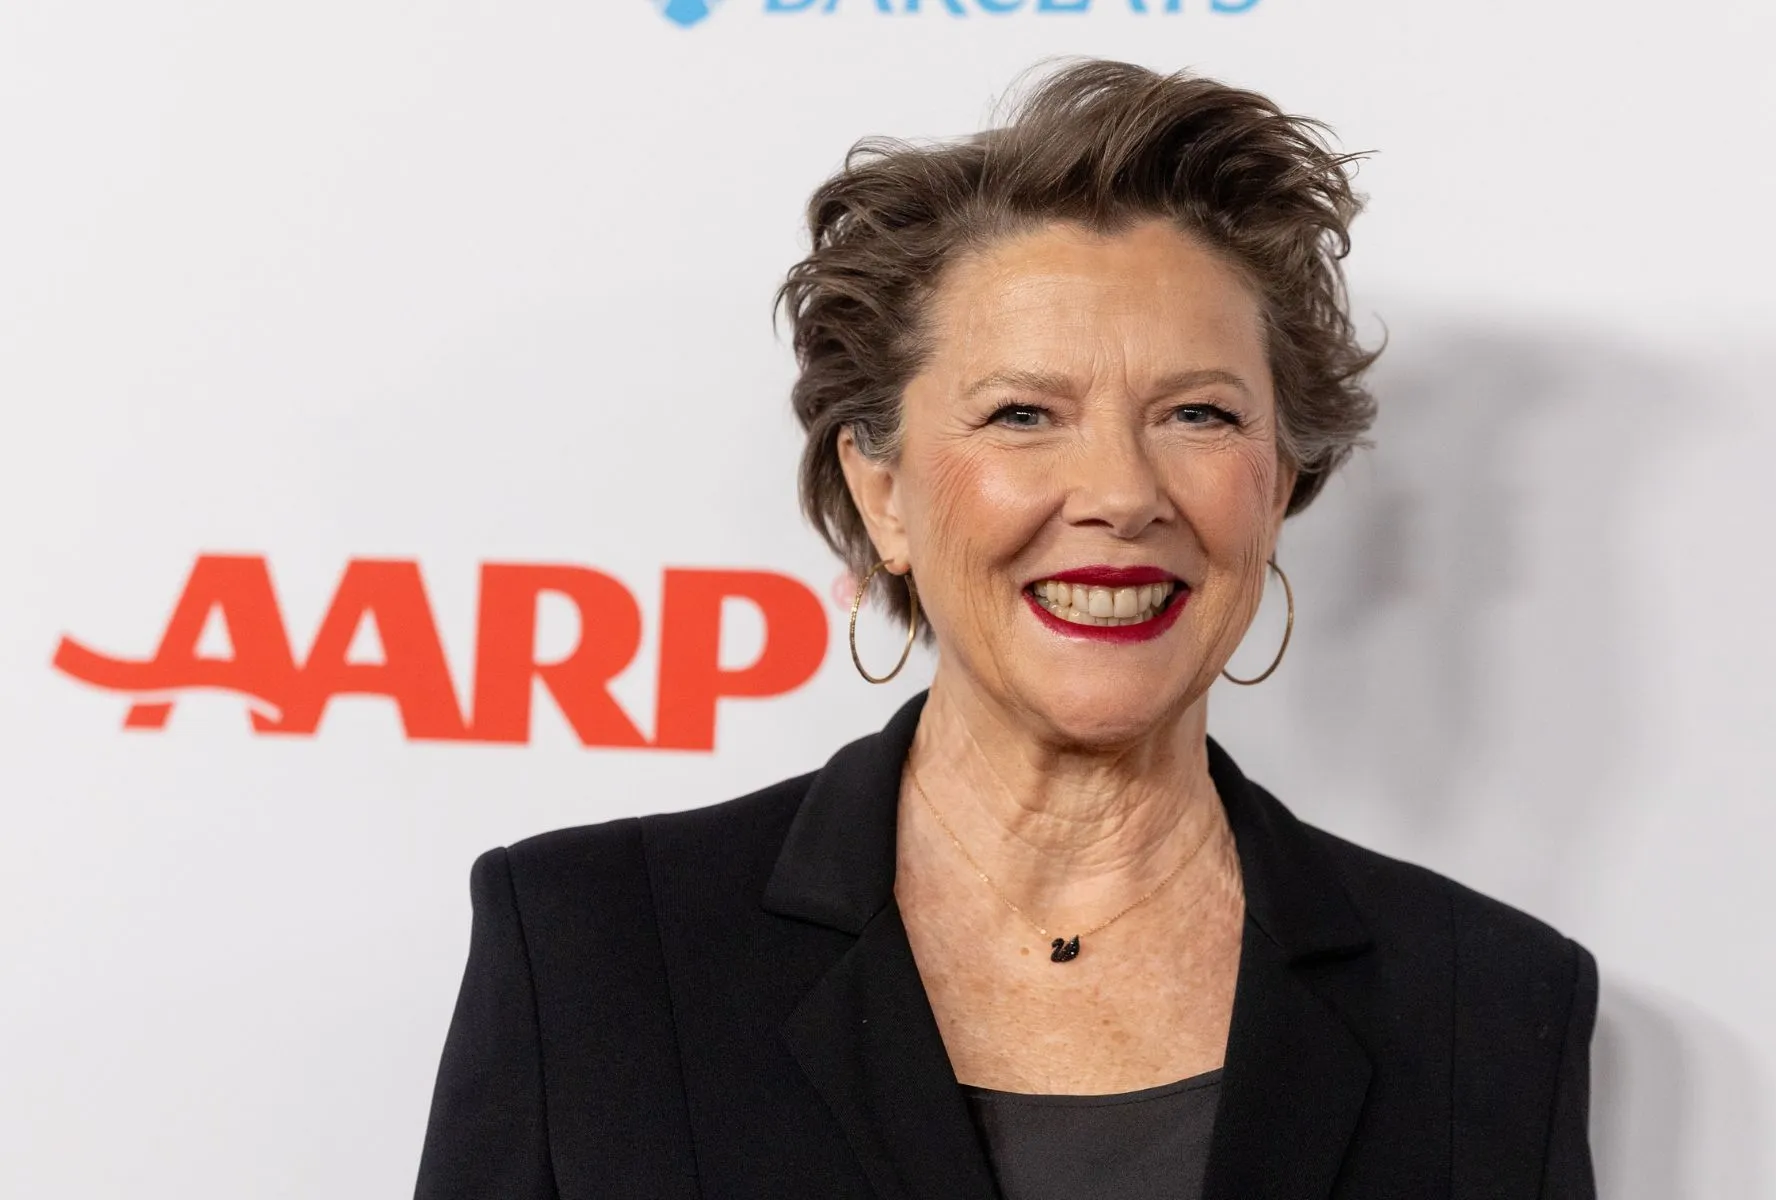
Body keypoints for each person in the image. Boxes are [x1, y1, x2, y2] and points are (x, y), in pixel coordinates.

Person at [413, 59, 1597, 1200]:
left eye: (1197, 413)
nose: (1122, 492)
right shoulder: (595, 954)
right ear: (882, 492)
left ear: (1279, 481)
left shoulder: (1485, 1010)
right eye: (1024, 413)